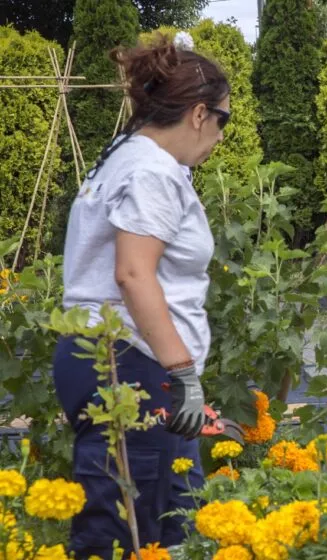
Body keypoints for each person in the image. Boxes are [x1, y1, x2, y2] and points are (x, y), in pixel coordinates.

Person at [53, 34, 230, 556]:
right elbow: (133, 274)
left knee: (170, 513)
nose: (221, 137)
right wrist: (182, 372)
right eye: (224, 120)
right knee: (129, 529)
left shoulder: (126, 157)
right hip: (132, 363)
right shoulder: (152, 171)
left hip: (123, 360)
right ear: (199, 114)